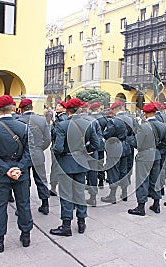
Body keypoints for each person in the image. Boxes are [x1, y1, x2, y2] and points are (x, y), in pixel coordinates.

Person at [0, 95, 32, 252]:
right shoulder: (23, 127)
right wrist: (19, 168)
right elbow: (30, 151)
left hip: (0, 172)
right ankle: (25, 236)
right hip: (20, 172)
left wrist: (6, 169)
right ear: (12, 108)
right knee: (23, 204)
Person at [50, 98, 99, 236]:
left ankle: (66, 225)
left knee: (66, 194)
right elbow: (96, 144)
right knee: (79, 193)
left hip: (66, 162)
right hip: (81, 162)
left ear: (67, 110)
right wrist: (85, 150)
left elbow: (58, 147)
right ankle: (81, 222)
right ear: (80, 110)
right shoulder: (88, 123)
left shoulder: (62, 125)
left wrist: (60, 154)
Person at [128, 102, 166, 216]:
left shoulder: (143, 126)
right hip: (156, 154)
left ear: (145, 113)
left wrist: (130, 139)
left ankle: (141, 207)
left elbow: (137, 143)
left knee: (142, 181)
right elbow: (165, 143)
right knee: (155, 180)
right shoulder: (162, 125)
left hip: (145, 156)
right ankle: (156, 204)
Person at [18, 98, 51, 214]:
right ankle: (45, 204)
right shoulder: (42, 120)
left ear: (21, 109)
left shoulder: (18, 120)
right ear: (32, 107)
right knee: (41, 179)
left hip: (23, 155)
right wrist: (39, 148)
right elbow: (48, 139)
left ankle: (23, 207)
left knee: (23, 181)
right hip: (37, 153)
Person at [101, 101, 130, 204]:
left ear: (115, 109)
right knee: (124, 170)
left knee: (113, 171)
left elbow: (107, 134)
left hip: (115, 147)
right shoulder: (130, 118)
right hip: (125, 146)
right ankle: (124, 193)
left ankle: (112, 195)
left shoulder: (113, 121)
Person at [49, 101, 69, 196]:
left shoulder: (62, 118)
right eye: (57, 105)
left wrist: (52, 126)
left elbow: (57, 133)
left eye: (60, 105)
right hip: (60, 145)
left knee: (56, 167)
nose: (57, 107)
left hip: (58, 145)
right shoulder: (59, 117)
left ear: (65, 109)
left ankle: (53, 187)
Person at [90, 102, 108, 189]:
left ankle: (90, 181)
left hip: (91, 145)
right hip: (100, 144)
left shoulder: (88, 118)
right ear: (98, 109)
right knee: (100, 163)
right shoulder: (103, 119)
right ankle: (101, 181)